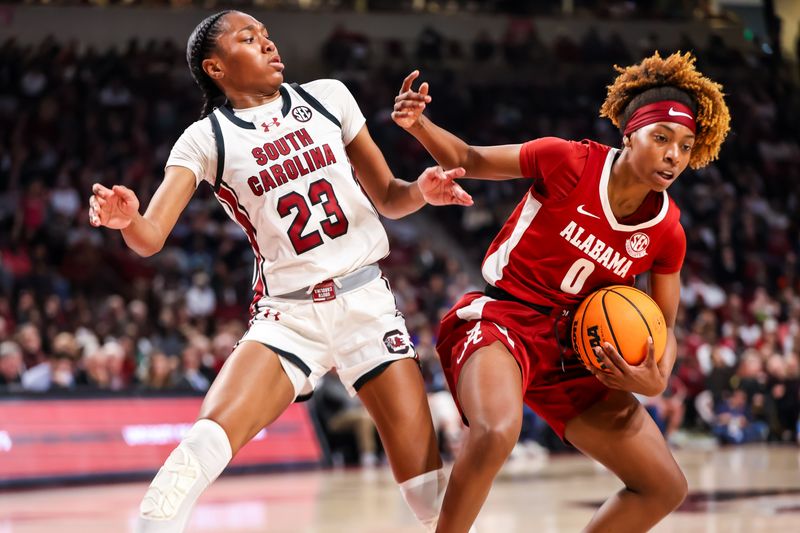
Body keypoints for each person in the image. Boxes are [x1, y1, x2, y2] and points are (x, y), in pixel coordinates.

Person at [88, 10, 473, 533]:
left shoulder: (328, 96)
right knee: (199, 449)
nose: (268, 45)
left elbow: (387, 195)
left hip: (366, 305)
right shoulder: (205, 140)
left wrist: (421, 192)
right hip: (289, 316)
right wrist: (128, 218)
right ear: (216, 67)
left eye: (267, 35)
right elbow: (150, 237)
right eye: (249, 39)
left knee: (430, 497)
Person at [392, 52, 730, 532]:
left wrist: (658, 376)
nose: (674, 154)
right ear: (629, 134)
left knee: (664, 486)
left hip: (578, 353)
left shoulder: (668, 231)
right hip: (505, 320)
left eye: (685, 145)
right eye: (661, 138)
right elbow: (468, 159)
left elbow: (666, 324)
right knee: (496, 432)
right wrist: (419, 125)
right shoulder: (568, 159)